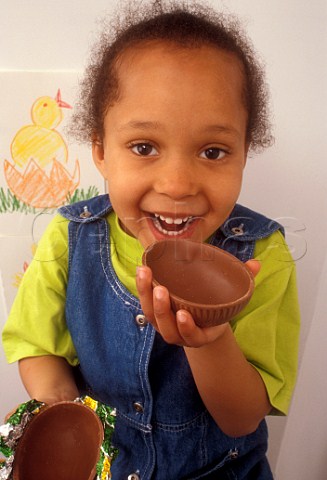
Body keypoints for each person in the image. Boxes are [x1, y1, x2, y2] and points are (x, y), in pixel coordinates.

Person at [2, 1, 300, 478]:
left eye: (213, 150)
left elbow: (242, 418)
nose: (178, 184)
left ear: (245, 153)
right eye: (144, 147)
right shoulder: (69, 237)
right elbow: (36, 345)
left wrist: (210, 340)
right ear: (100, 149)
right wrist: (63, 418)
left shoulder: (261, 256)